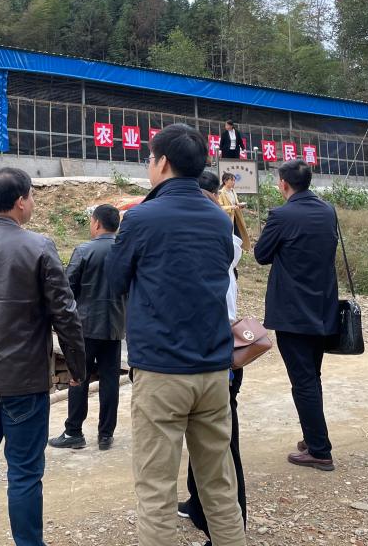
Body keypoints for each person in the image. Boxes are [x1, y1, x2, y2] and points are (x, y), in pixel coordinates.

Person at [106, 123, 246, 546]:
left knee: (156, 490)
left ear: (163, 162)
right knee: (219, 486)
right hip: (213, 371)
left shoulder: (141, 218)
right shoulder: (219, 220)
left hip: (161, 372)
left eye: (149, 158)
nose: (149, 165)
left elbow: (115, 281)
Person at [0, 167, 86, 546]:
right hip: (24, 380)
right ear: (21, 201)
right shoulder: (39, 247)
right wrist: (77, 367)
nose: (32, 202)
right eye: (32, 196)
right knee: (24, 472)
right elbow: (65, 314)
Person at [254, 159, 338, 471]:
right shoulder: (328, 210)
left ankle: (319, 450)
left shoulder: (281, 215)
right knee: (311, 376)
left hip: (293, 312)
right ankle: (313, 436)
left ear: (284, 184)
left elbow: (261, 255)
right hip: (323, 308)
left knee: (303, 381)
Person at [178, 170, 247, 546]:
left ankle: (232, 523)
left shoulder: (217, 241)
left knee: (222, 447)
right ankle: (198, 504)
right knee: (206, 441)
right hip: (215, 352)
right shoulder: (223, 238)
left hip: (217, 354)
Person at [49, 203, 125, 451]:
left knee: (78, 377)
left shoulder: (84, 250)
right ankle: (106, 434)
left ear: (97, 223)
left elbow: (67, 289)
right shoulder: (124, 251)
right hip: (114, 326)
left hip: (85, 326)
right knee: (110, 380)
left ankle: (74, 431)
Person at [218, 172, 252, 251]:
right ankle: (230, 250)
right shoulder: (221, 193)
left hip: (236, 216)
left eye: (234, 180)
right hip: (228, 217)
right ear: (225, 181)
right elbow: (220, 207)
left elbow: (236, 203)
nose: (234, 182)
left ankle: (239, 250)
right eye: (232, 180)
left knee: (238, 234)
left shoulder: (233, 191)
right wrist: (232, 207)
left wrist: (240, 205)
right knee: (230, 234)